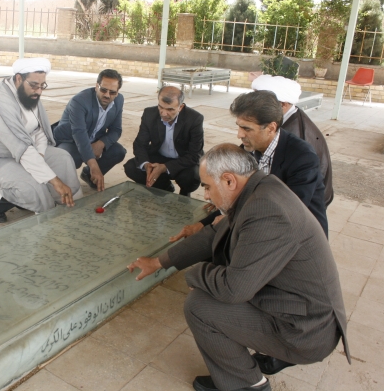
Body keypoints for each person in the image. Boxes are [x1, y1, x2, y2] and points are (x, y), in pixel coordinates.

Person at [127, 143, 350, 391]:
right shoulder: (259, 188)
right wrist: (159, 262)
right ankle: (236, 376)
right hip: (296, 308)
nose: (206, 196)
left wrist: (195, 276)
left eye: (207, 187)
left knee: (200, 306)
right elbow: (215, 234)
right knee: (210, 292)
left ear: (229, 180)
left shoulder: (267, 211)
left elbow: (234, 289)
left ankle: (247, 385)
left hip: (305, 330)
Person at [170, 90, 328, 242]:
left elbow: (288, 210)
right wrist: (201, 224)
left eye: (246, 128)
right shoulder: (246, 150)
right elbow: (236, 196)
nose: (239, 134)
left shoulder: (302, 157)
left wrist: (233, 218)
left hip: (300, 235)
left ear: (271, 128)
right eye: (239, 126)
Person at [0, 57, 80, 222]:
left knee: (63, 159)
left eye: (42, 86)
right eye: (34, 85)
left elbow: (39, 130)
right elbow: (21, 147)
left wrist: (40, 154)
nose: (39, 91)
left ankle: (63, 204)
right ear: (19, 78)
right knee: (34, 187)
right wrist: (56, 182)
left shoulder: (28, 93)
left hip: (26, 150)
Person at [252, 74, 333, 205]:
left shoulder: (295, 136)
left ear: (283, 105)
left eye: (259, 102)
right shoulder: (286, 116)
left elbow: (293, 199)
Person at [53, 69, 127, 191]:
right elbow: (79, 133)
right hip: (70, 139)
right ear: (97, 86)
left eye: (112, 92)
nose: (107, 95)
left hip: (94, 138)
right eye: (103, 90)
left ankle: (89, 175)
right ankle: (57, 184)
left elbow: (116, 130)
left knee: (118, 151)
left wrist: (100, 144)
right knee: (69, 158)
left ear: (117, 92)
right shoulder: (80, 101)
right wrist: (94, 165)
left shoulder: (119, 100)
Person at [123, 86, 204, 196]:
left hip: (183, 159)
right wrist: (146, 164)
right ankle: (165, 188)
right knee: (131, 167)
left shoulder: (194, 119)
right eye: (161, 107)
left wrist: (165, 167)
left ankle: (184, 194)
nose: (164, 113)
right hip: (159, 157)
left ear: (180, 107)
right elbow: (140, 144)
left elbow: (195, 155)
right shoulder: (149, 114)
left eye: (170, 109)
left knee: (192, 176)